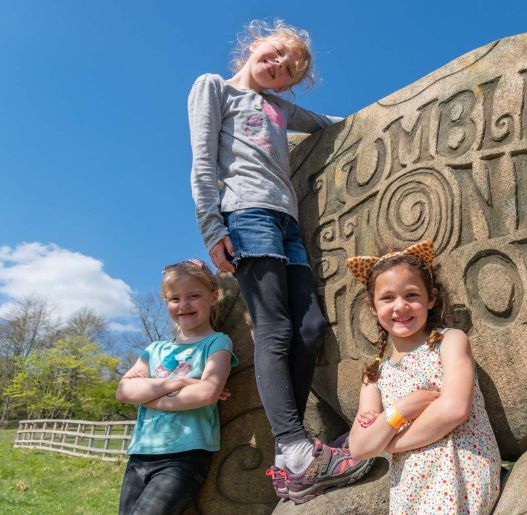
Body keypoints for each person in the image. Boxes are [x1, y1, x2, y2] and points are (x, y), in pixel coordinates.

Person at [187, 19, 370, 503]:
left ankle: (290, 456)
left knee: (310, 328)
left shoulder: (280, 107)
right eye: (274, 54)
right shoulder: (214, 88)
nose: (277, 66)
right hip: (246, 215)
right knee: (275, 329)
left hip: (288, 225)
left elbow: (331, 124)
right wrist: (212, 229)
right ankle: (293, 448)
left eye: (288, 69)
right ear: (254, 45)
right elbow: (203, 162)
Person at [345, 241, 501, 514]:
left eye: (412, 295)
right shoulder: (374, 374)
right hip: (410, 491)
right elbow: (359, 446)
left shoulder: (450, 342)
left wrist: (390, 442)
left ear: (430, 298)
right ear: (372, 307)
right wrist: (400, 410)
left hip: (459, 470)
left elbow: (453, 408)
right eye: (388, 298)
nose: (400, 306)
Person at [116, 259, 237, 514]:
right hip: (140, 455)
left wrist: (149, 396)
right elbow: (124, 391)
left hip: (184, 456)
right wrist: (179, 382)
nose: (184, 305)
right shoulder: (154, 350)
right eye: (174, 298)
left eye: (194, 295)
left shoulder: (217, 343)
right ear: (166, 302)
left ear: (213, 296)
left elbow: (206, 393)